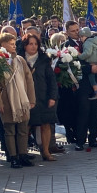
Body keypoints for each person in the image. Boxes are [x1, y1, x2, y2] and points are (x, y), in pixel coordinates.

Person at [0, 33, 36, 168]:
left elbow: (29, 80)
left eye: (14, 44)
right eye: (11, 44)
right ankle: (13, 157)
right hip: (7, 99)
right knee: (9, 130)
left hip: (22, 100)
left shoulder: (20, 60)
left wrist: (31, 99)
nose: (14, 46)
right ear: (3, 44)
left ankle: (23, 154)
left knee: (23, 129)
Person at [25, 30, 59, 161]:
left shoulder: (44, 60)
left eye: (35, 44)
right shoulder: (20, 59)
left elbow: (51, 80)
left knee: (46, 125)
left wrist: (52, 97)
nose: (33, 46)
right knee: (26, 126)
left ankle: (46, 151)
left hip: (44, 97)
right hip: (27, 98)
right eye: (30, 44)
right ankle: (23, 153)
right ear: (25, 45)